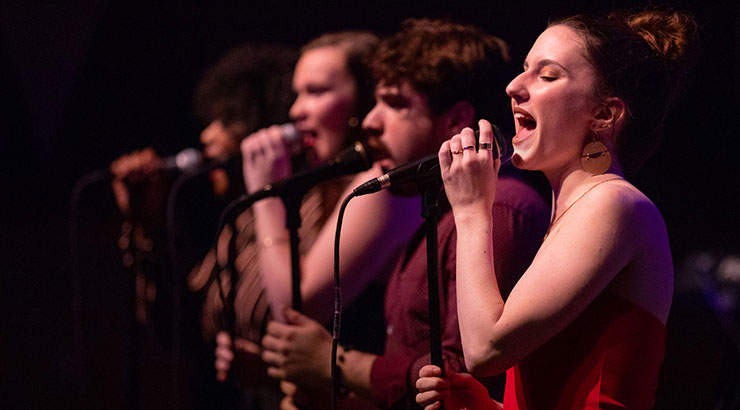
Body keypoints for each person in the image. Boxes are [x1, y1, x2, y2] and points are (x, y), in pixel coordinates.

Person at [258, 19, 550, 409]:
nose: (370, 121)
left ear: (455, 121)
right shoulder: (434, 208)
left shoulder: (500, 208)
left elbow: (461, 379)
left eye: (395, 104)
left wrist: (336, 364)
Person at [416, 9, 700, 410]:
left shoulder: (614, 204)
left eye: (547, 76)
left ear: (603, 114)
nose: (514, 87)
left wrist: (471, 211)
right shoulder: (576, 213)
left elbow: (484, 351)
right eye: (524, 70)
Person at [202, 31, 430, 408]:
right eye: (297, 93)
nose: (296, 110)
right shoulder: (324, 184)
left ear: (362, 100)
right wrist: (264, 363)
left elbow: (296, 305)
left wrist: (266, 196)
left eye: (316, 92)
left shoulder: (380, 185)